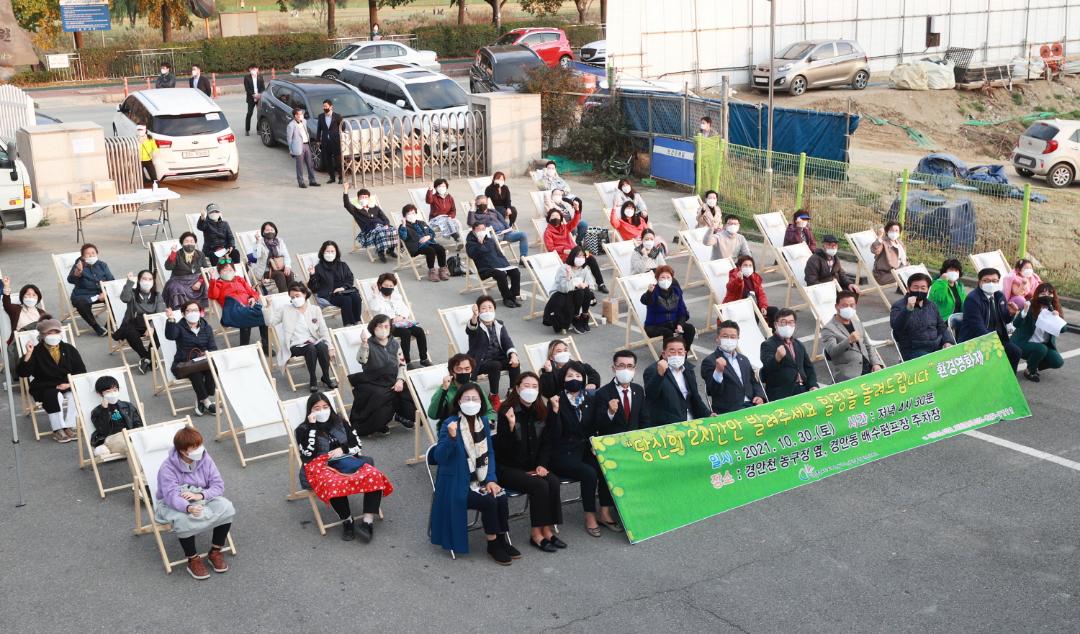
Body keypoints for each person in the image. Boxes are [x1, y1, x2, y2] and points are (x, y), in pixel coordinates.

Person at [430, 383, 519, 565]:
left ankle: (502, 538)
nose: (471, 402)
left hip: (480, 479)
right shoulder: (450, 424)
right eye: (466, 399)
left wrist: (491, 480)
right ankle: (492, 543)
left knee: (500, 495)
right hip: (456, 483)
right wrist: (452, 438)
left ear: (481, 402)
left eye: (475, 399)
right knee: (488, 501)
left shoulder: (483, 422)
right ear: (459, 401)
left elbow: (490, 453)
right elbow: (440, 457)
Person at [296, 392, 393, 541]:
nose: (322, 410)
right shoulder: (303, 429)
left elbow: (357, 444)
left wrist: (344, 449)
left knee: (373, 474)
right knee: (332, 483)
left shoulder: (340, 422)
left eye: (325, 406)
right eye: (317, 408)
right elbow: (307, 454)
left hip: (347, 460)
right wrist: (312, 427)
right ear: (310, 411)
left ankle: (368, 522)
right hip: (321, 467)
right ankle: (347, 520)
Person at [493, 373, 564, 552]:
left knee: (553, 481)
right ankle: (536, 534)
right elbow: (502, 449)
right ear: (517, 388)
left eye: (534, 386)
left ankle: (547, 529)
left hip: (532, 465)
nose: (530, 390)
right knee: (539, 486)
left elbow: (548, 442)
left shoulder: (541, 409)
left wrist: (542, 465)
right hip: (508, 467)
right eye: (526, 385)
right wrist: (510, 426)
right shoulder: (506, 410)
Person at [154, 427, 235, 580]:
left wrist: (200, 495)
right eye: (195, 447)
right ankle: (193, 559)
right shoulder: (167, 468)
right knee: (183, 520)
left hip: (201, 496)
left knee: (226, 507)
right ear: (184, 452)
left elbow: (218, 485)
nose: (200, 449)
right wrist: (188, 507)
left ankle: (215, 551)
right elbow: (171, 496)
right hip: (175, 502)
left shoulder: (205, 458)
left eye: (200, 445)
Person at [548, 362, 618, 535]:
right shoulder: (557, 400)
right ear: (562, 378)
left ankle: (605, 511)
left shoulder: (589, 398)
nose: (574, 379)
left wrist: (610, 412)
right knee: (589, 472)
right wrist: (555, 412)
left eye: (578, 376)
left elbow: (597, 424)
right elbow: (553, 434)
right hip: (563, 453)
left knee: (605, 466)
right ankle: (590, 516)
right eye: (569, 376)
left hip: (585, 448)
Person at [16, 319, 85, 443]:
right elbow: (23, 373)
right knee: (54, 396)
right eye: (49, 333)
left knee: (74, 395)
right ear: (42, 336)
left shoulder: (69, 349)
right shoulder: (36, 351)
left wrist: (69, 384)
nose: (53, 335)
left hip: (66, 383)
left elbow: (81, 370)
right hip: (44, 385)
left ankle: (68, 426)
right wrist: (28, 354)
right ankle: (58, 429)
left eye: (56, 332)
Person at [349, 314, 415, 436]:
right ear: (374, 328)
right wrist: (364, 343)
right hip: (373, 379)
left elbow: (402, 364)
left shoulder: (395, 343)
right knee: (379, 395)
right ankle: (378, 423)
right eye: (380, 326)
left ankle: (401, 414)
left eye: (386, 326)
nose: (383, 329)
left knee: (409, 388)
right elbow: (361, 360)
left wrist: (400, 380)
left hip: (393, 377)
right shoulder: (368, 343)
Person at [267, 282, 336, 392]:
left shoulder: (314, 309)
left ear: (304, 294)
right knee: (311, 348)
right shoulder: (285, 309)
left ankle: (326, 377)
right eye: (292, 297)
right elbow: (270, 322)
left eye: (297, 296)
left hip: (312, 341)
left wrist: (330, 347)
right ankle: (313, 379)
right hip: (295, 344)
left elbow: (323, 330)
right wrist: (268, 307)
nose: (294, 299)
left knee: (322, 346)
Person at [958, 268, 1022, 371]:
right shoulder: (972, 299)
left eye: (994, 281)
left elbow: (1005, 319)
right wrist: (995, 344)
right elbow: (978, 328)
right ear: (979, 282)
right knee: (998, 356)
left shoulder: (999, 295)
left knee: (1015, 352)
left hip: (997, 338)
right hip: (977, 340)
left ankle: (1007, 381)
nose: (991, 283)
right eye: (986, 280)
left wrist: (1011, 313)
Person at [164, 301, 218, 416]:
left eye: (195, 310)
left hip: (203, 363)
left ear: (200, 312)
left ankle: (201, 398)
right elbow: (171, 336)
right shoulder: (179, 327)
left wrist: (207, 353)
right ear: (183, 314)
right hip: (184, 364)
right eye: (189, 310)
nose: (193, 313)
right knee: (195, 373)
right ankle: (207, 402)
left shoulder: (207, 328)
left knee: (212, 368)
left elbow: (213, 348)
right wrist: (171, 319)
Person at [643, 336, 710, 425]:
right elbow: (651, 396)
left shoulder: (688, 369)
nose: (676, 354)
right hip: (669, 426)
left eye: (680, 351)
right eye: (672, 351)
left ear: (685, 353)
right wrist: (659, 375)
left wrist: (708, 415)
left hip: (690, 420)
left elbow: (695, 397)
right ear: (664, 354)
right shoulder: (652, 370)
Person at [701, 321, 766, 414]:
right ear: (717, 339)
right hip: (730, 410)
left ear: (737, 338)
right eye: (725, 336)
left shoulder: (743, 359)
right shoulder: (710, 361)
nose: (729, 339)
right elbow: (713, 391)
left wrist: (760, 396)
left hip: (752, 405)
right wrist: (718, 372)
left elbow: (754, 381)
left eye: (732, 337)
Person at [367, 273, 430, 367]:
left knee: (419, 331)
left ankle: (424, 359)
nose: (388, 288)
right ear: (380, 286)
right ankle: (407, 362)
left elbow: (405, 309)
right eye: (386, 285)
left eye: (391, 286)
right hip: (387, 326)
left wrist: (401, 316)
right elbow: (375, 308)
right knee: (406, 333)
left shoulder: (396, 296)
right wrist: (375, 292)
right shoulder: (376, 298)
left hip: (401, 322)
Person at [465, 295, 520, 402]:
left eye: (490, 307)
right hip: (480, 362)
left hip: (498, 357)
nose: (487, 310)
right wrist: (474, 316)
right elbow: (470, 330)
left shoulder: (499, 324)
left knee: (515, 362)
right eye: (483, 308)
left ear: (494, 309)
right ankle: (493, 396)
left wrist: (513, 355)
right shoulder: (476, 325)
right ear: (479, 311)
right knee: (495, 365)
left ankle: (512, 392)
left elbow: (507, 341)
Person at [821, 291, 884, 382]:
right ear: (836, 306)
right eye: (845, 305)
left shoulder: (857, 323)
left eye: (852, 305)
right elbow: (831, 352)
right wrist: (848, 341)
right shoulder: (828, 329)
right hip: (849, 374)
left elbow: (868, 346)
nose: (849, 308)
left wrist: (876, 363)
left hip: (868, 368)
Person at [207, 262, 268, 355]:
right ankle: (244, 348)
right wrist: (212, 278)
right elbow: (213, 295)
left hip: (248, 307)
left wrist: (252, 298)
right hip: (233, 310)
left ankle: (265, 346)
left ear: (234, 271)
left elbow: (252, 292)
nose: (228, 272)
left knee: (264, 314)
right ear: (220, 272)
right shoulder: (218, 283)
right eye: (225, 270)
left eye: (230, 270)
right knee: (246, 316)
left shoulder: (240, 280)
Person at [889, 273, 954, 360]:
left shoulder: (931, 305)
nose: (919, 291)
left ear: (927, 290)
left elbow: (941, 327)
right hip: (913, 350)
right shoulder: (899, 306)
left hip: (936, 346)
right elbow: (897, 327)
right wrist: (908, 310)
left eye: (923, 288)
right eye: (915, 287)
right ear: (908, 289)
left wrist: (947, 341)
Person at [544, 206, 608, 293]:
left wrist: (577, 210)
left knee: (591, 258)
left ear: (561, 218)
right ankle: (583, 285)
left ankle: (601, 284)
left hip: (577, 251)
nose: (555, 218)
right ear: (549, 219)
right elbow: (550, 248)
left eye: (557, 216)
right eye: (553, 216)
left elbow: (575, 222)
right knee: (581, 265)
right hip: (565, 256)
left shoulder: (565, 227)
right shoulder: (548, 232)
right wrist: (563, 249)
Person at [1012, 282, 1067, 382]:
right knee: (1041, 349)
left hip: (1043, 346)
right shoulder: (1030, 306)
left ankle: (1033, 363)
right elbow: (1016, 324)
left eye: (1049, 294)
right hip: (1023, 343)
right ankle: (1030, 371)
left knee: (1057, 361)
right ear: (1037, 295)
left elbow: (1063, 329)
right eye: (1043, 294)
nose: (1046, 297)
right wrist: (1024, 312)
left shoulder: (1054, 308)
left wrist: (1057, 318)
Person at [760, 309, 817, 400]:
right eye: (783, 322)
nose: (788, 325)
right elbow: (766, 371)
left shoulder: (798, 344)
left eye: (791, 322)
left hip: (804, 388)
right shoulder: (768, 345)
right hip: (783, 392)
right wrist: (777, 358)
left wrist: (813, 385)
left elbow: (809, 368)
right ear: (776, 324)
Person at [114, 270, 165, 374]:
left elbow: (160, 313)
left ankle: (147, 358)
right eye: (144, 279)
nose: (147, 281)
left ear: (153, 282)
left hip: (150, 323)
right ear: (139, 281)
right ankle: (147, 357)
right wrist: (129, 282)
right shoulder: (132, 293)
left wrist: (151, 326)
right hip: (134, 323)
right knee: (130, 332)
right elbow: (124, 298)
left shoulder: (157, 295)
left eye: (150, 279)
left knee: (160, 331)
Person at [465, 221, 521, 307]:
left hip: (498, 264)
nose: (481, 231)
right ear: (473, 231)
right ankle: (506, 298)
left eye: (483, 229)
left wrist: (507, 265)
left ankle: (513, 297)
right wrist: (480, 244)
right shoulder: (470, 243)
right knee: (501, 274)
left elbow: (499, 254)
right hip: (485, 268)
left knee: (515, 271)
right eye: (479, 229)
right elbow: (472, 255)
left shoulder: (489, 240)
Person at [306, 240, 362, 326]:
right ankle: (349, 324)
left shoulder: (343, 265)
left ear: (336, 252)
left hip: (344, 291)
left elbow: (350, 278)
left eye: (332, 251)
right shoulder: (318, 268)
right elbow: (314, 288)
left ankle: (357, 322)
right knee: (346, 300)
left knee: (356, 297)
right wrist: (312, 274)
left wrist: (343, 287)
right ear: (322, 252)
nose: (330, 253)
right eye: (327, 251)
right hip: (329, 294)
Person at [428, 353, 494, 426]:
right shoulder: (445, 389)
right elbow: (432, 415)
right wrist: (444, 390)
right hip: (452, 429)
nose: (463, 372)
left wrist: (489, 421)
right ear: (452, 372)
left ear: (471, 371)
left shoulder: (475, 387)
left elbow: (489, 411)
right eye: (459, 369)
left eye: (467, 369)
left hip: (476, 428)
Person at [89, 375, 144, 458]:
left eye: (115, 390)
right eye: (108, 391)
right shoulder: (97, 411)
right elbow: (103, 430)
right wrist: (104, 410)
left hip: (129, 435)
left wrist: (136, 435)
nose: (112, 393)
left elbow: (138, 423)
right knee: (132, 448)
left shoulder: (128, 406)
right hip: (112, 438)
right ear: (100, 394)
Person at [546, 246, 597, 335]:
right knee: (580, 291)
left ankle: (584, 316)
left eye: (583, 256)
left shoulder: (584, 269)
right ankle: (576, 317)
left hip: (578, 294)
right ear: (573, 256)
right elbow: (563, 288)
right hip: (561, 293)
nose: (581, 259)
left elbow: (592, 284)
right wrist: (570, 278)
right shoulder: (564, 268)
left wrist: (586, 285)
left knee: (586, 291)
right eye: (579, 256)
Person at [640, 265, 696, 346]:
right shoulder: (653, 291)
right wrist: (649, 292)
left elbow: (682, 311)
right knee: (668, 333)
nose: (665, 280)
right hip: (655, 326)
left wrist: (680, 324)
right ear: (657, 279)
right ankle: (666, 356)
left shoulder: (676, 291)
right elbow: (645, 300)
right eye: (662, 277)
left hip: (673, 323)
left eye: (668, 277)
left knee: (690, 329)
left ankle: (683, 353)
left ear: (672, 279)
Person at [67, 242, 114, 337]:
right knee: (80, 304)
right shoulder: (79, 265)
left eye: (93, 253)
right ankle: (96, 327)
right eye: (88, 253)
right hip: (83, 295)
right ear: (83, 256)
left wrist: (105, 292)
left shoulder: (102, 265)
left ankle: (109, 325)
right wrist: (77, 272)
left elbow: (111, 281)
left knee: (116, 298)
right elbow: (70, 280)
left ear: (97, 254)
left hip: (100, 294)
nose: (91, 255)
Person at [343, 184, 397, 263]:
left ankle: (390, 250)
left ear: (369, 198)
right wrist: (345, 190)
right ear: (358, 199)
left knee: (393, 230)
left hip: (381, 226)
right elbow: (347, 204)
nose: (364, 199)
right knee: (380, 232)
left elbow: (384, 217)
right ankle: (380, 252)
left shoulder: (374, 207)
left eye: (366, 197)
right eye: (362, 197)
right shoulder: (355, 210)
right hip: (369, 230)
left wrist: (386, 224)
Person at [468, 195, 528, 264]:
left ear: (487, 204)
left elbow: (503, 221)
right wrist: (472, 207)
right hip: (493, 235)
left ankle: (523, 259)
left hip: (505, 233)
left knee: (523, 235)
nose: (482, 205)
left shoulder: (493, 211)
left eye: (484, 203)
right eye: (480, 203)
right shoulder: (475, 215)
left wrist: (509, 229)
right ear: (476, 205)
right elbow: (471, 223)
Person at [723, 255, 779, 327]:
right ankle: (754, 335)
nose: (748, 267)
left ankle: (773, 334)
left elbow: (761, 294)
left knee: (774, 311)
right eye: (745, 265)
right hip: (739, 306)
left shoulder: (754, 277)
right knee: (754, 314)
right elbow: (730, 287)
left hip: (755, 305)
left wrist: (763, 306)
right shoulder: (735, 276)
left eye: (750, 265)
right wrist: (738, 280)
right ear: (740, 267)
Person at [399, 203, 449, 282]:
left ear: (416, 214)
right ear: (404, 216)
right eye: (409, 214)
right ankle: (432, 272)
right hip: (417, 246)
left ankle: (442, 270)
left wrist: (428, 236)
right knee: (430, 251)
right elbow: (403, 237)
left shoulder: (421, 223)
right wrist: (404, 225)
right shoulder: (403, 227)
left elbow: (432, 232)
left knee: (441, 249)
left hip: (429, 243)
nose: (411, 215)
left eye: (413, 213)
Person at [163, 232, 210, 310]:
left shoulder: (200, 254)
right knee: (175, 287)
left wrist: (199, 282)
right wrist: (173, 254)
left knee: (205, 283)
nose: (189, 244)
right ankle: (182, 309)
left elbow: (205, 269)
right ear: (182, 243)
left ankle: (200, 308)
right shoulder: (177, 254)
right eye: (186, 241)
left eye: (192, 241)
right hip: (179, 280)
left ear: (195, 243)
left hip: (195, 279)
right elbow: (168, 267)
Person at [249, 221, 296, 294]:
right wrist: (257, 242)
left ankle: (294, 294)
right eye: (267, 230)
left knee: (289, 274)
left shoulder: (279, 241)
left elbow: (286, 255)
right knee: (280, 275)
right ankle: (284, 297)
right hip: (265, 270)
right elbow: (256, 255)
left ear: (275, 231)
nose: (269, 232)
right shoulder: (260, 243)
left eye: (271, 230)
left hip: (279, 267)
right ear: (263, 232)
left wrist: (287, 266)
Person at [2, 276, 47, 346]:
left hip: (39, 343)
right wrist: (6, 286)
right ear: (22, 297)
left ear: (38, 298)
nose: (31, 297)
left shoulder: (42, 313)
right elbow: (6, 304)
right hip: (21, 343)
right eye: (28, 294)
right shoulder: (16, 309)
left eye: (34, 295)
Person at [928, 258, 967, 331]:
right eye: (951, 270)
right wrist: (943, 281)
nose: (954, 272)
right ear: (945, 271)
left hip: (957, 319)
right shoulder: (938, 284)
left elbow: (965, 302)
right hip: (943, 320)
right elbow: (940, 297)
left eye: (956, 270)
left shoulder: (959, 286)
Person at [425, 178, 463, 249]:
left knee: (456, 222)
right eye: (440, 186)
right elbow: (428, 201)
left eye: (443, 186)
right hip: (435, 219)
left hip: (447, 218)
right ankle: (457, 238)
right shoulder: (433, 197)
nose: (442, 188)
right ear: (436, 187)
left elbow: (453, 210)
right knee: (447, 222)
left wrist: (450, 216)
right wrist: (430, 190)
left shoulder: (449, 197)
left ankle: (458, 241)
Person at [287, 108, 320, 189]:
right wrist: (291, 150)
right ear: (296, 116)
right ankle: (301, 182)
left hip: (306, 145)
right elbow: (289, 139)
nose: (302, 115)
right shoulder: (291, 125)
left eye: (302, 114)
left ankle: (312, 180)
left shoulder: (304, 121)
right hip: (298, 147)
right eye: (300, 114)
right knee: (300, 166)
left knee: (310, 164)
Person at [870, 222, 908, 286]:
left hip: (898, 271)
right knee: (910, 276)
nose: (894, 232)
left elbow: (904, 260)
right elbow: (875, 250)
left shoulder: (899, 243)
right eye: (892, 230)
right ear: (887, 231)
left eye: (896, 230)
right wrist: (879, 237)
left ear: (899, 232)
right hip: (884, 275)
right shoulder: (883, 242)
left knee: (917, 274)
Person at [316, 99, 343, 184]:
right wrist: (318, 140)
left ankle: (341, 177)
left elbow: (343, 127)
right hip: (325, 142)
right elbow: (319, 129)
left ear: (331, 107)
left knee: (338, 161)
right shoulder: (321, 116)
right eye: (323, 106)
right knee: (328, 161)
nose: (324, 108)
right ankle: (332, 177)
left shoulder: (337, 116)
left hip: (335, 142)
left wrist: (338, 136)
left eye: (326, 106)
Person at [243, 63, 265, 136]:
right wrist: (253, 95)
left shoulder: (260, 77)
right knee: (249, 113)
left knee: (259, 114)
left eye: (255, 69)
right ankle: (247, 129)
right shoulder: (247, 77)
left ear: (258, 69)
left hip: (259, 98)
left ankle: (258, 129)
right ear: (249, 70)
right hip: (251, 98)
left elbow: (263, 87)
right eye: (252, 69)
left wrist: (260, 94)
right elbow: (247, 88)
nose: (254, 70)